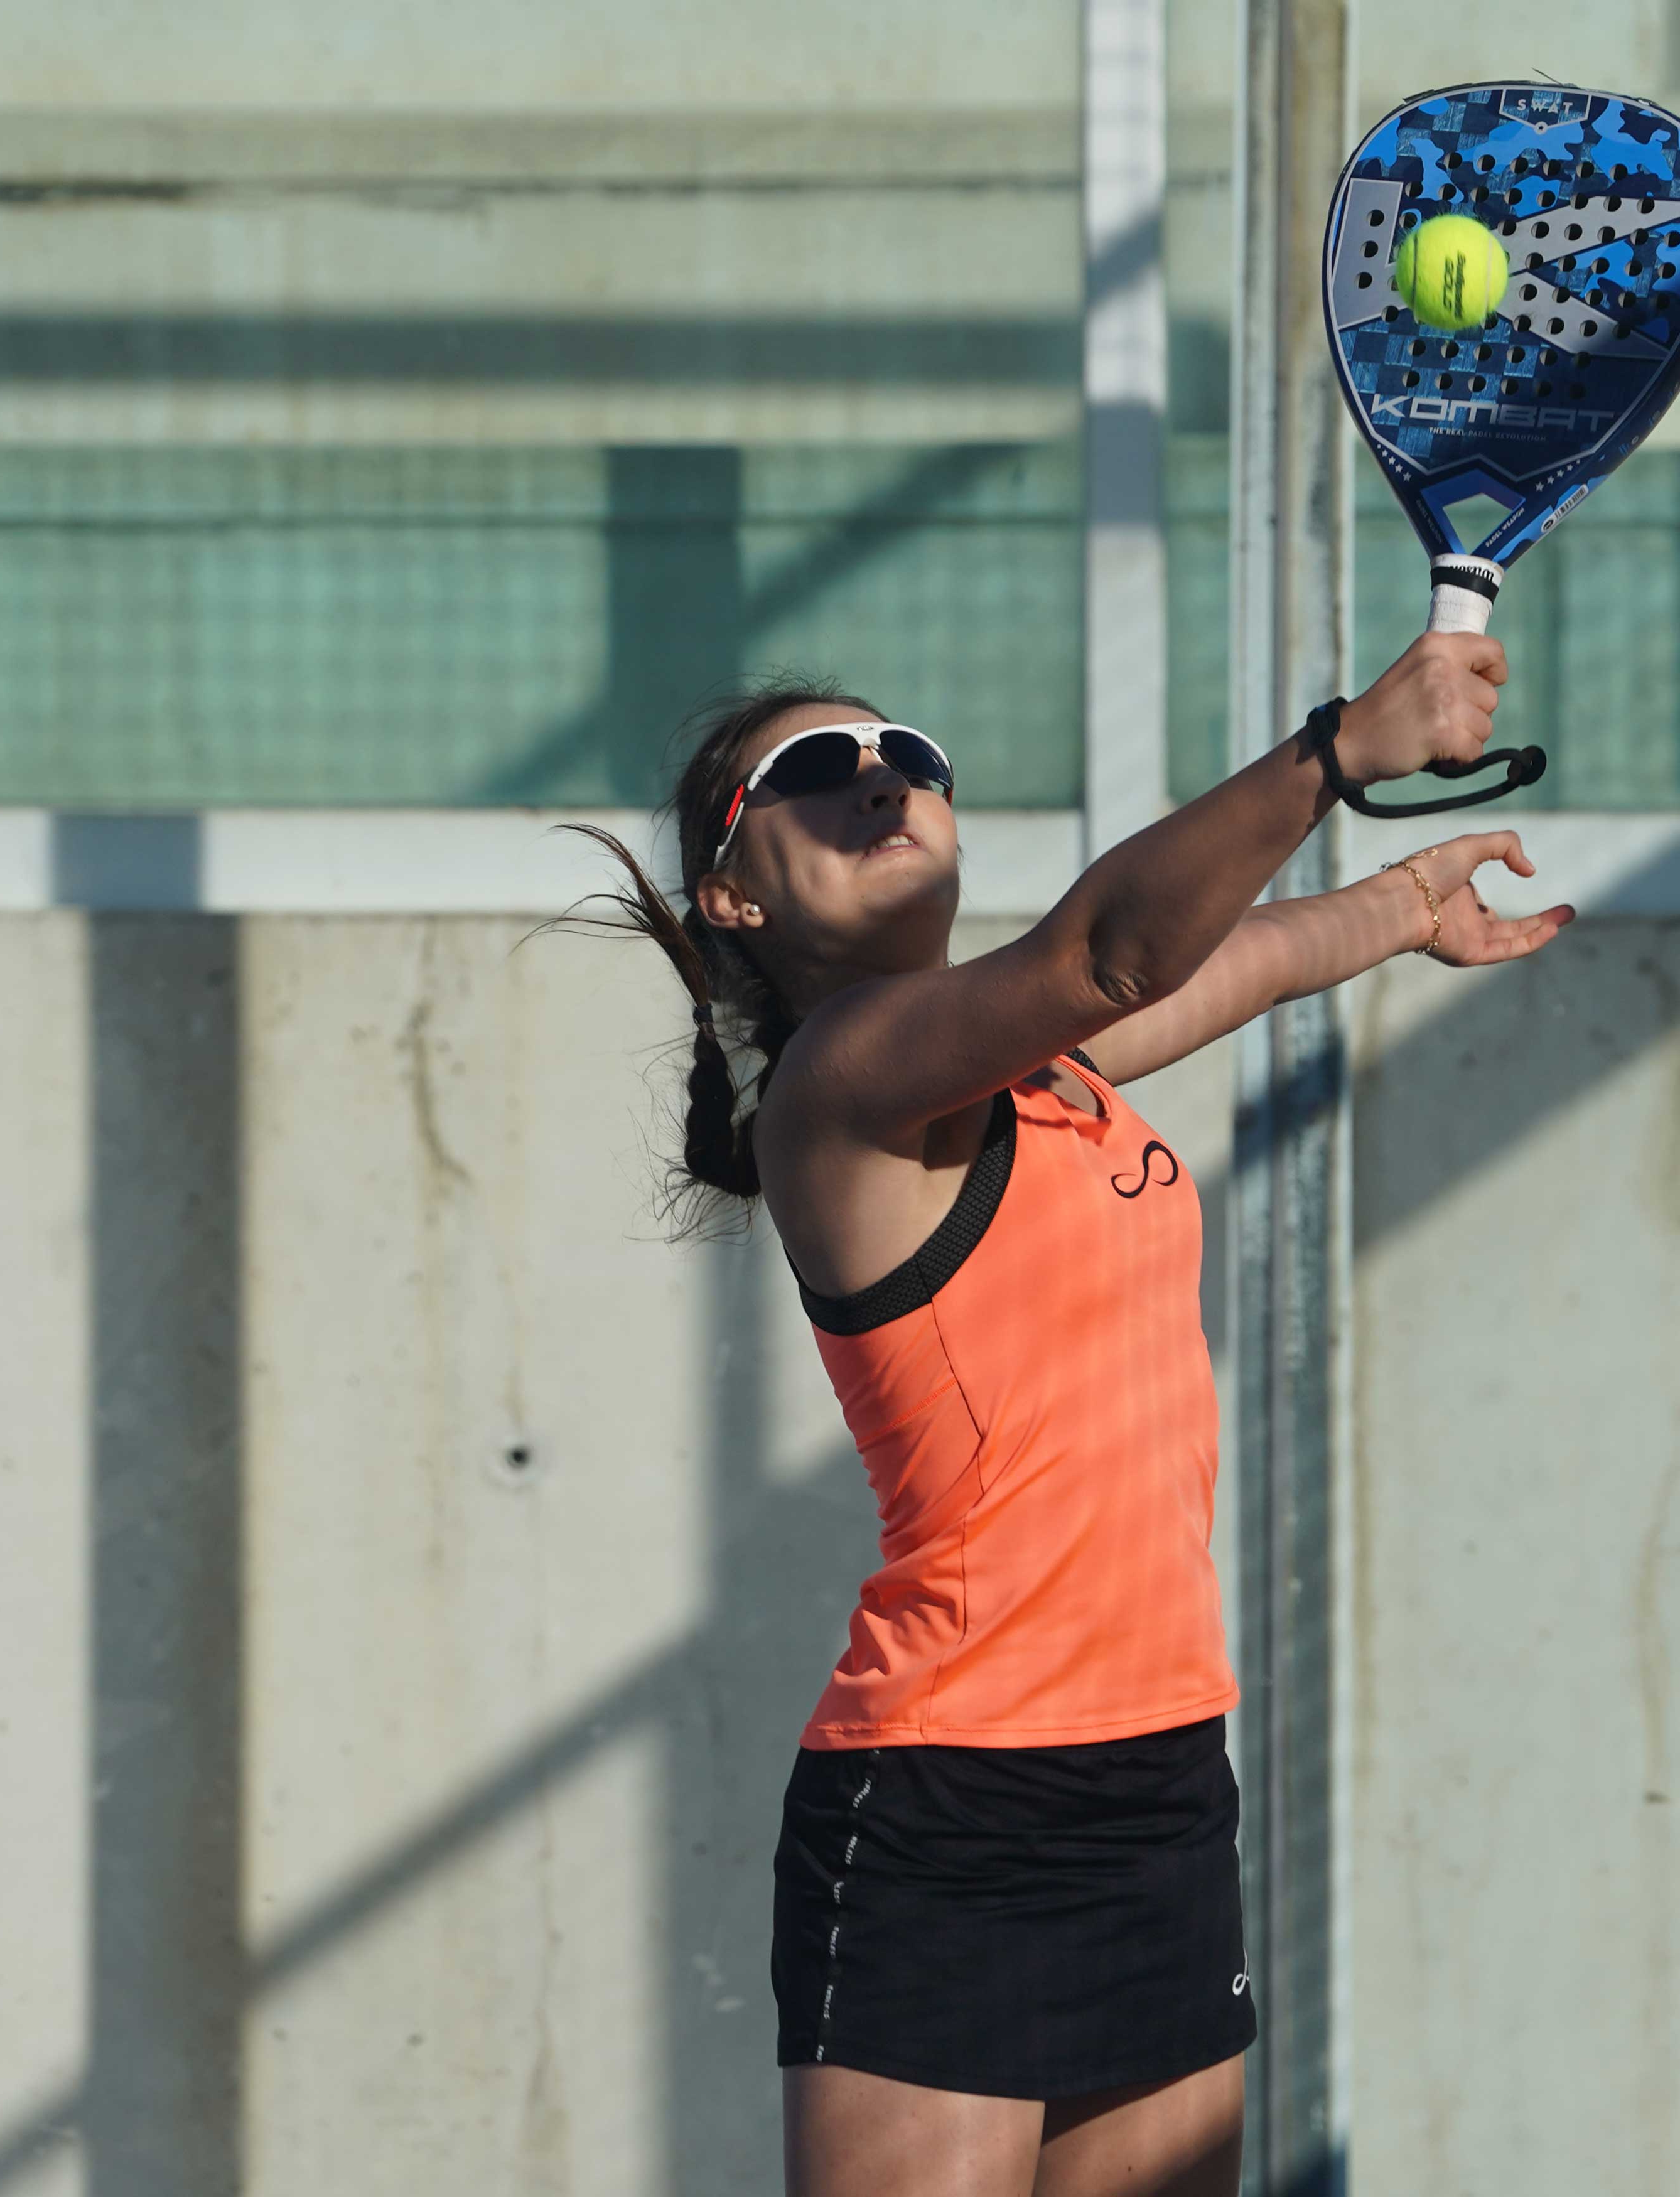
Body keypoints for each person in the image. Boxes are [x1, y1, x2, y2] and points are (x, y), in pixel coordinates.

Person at [566, 630, 1571, 2197]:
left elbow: (1228, 963)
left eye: (910, 756)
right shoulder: (840, 1079)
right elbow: (1118, 950)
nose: (883, 779)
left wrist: (1399, 908)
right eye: (818, 770)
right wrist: (1333, 755)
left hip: (1160, 1776)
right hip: (953, 1803)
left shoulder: (1046, 1068)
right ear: (735, 895)